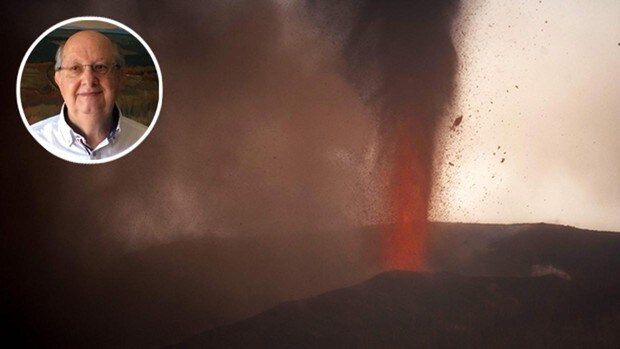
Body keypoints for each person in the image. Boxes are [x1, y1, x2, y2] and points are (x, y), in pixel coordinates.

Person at [31, 30, 147, 162]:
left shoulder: (148, 141)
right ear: (59, 80)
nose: (89, 80)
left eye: (100, 67)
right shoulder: (29, 142)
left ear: (119, 78)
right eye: (75, 68)